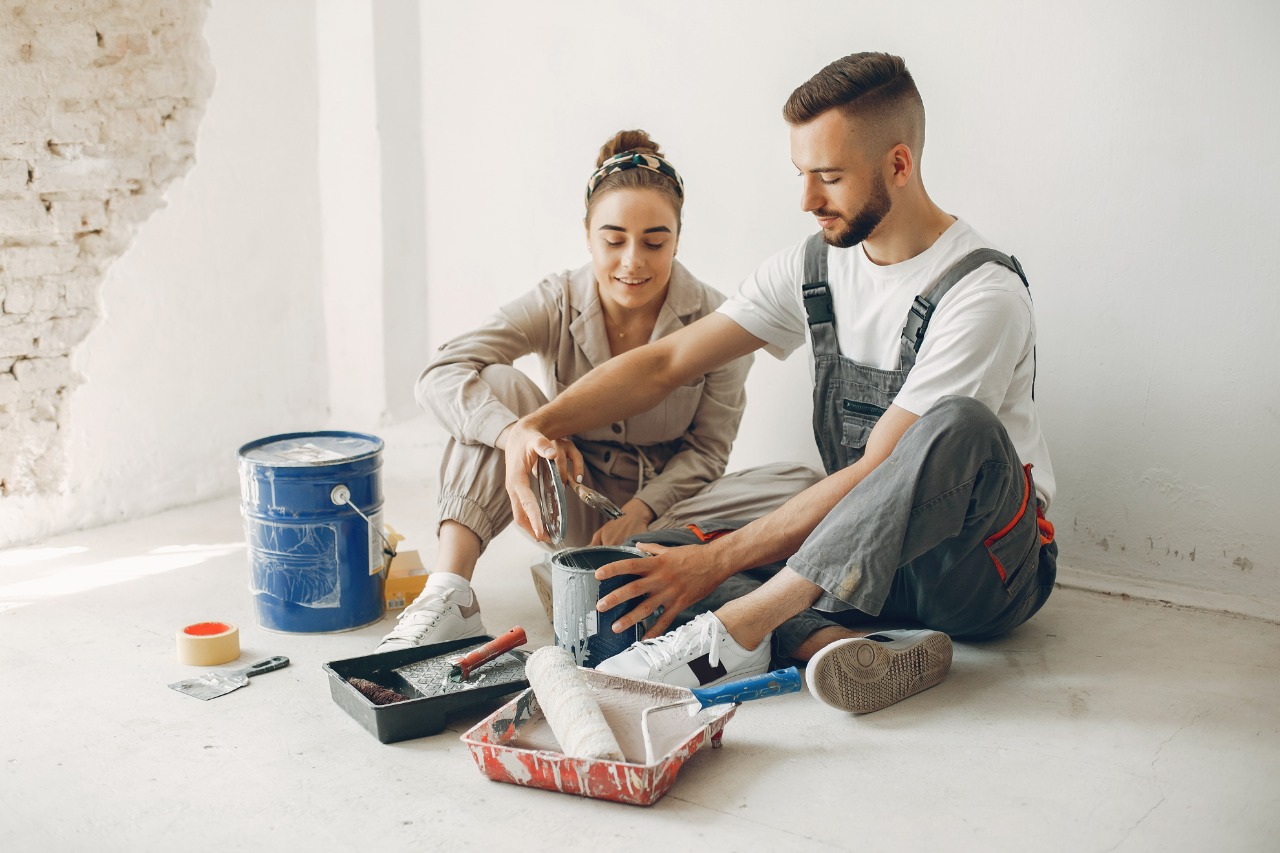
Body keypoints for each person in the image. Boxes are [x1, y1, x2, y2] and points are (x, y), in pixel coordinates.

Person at [502, 53, 1058, 714]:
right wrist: (538, 424)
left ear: (899, 165)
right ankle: (835, 646)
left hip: (977, 570)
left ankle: (744, 624)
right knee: (657, 554)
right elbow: (666, 362)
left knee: (958, 424)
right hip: (858, 569)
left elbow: (879, 470)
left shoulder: (981, 291)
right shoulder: (814, 265)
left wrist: (718, 566)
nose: (806, 200)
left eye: (828, 177)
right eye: (801, 175)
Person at [375, 129, 819, 654]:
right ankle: (449, 593)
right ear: (588, 235)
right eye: (613, 240)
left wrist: (643, 510)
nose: (633, 261)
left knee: (803, 485)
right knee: (495, 387)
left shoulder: (718, 319)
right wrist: (515, 434)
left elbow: (707, 451)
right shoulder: (557, 298)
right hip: (567, 497)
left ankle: (605, 571)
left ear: (678, 237)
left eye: (655, 242)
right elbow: (441, 372)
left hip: (671, 514)